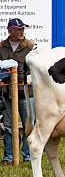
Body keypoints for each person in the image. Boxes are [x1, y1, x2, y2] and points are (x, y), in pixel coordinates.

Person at [0, 19, 36, 165]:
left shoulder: (31, 46)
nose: (22, 31)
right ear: (11, 30)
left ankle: (28, 156)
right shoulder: (1, 47)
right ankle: (8, 157)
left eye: (23, 29)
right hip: (7, 93)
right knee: (8, 126)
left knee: (29, 124)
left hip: (27, 93)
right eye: (19, 29)